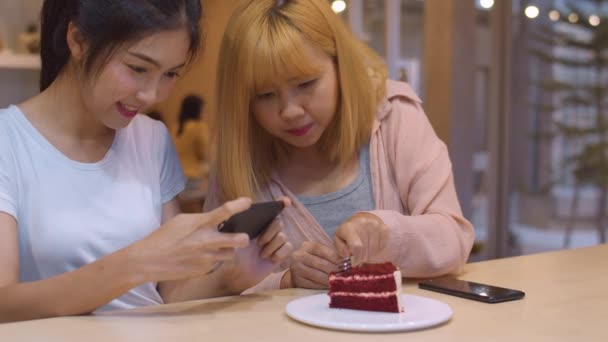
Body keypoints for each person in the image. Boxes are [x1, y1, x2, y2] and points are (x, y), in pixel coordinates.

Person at [0, 0, 292, 323]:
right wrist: (137, 262)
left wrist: (232, 277)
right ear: (78, 41)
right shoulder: (9, 141)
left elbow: (168, 293)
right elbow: (4, 302)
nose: (152, 96)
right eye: (137, 68)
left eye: (170, 74)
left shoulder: (152, 138)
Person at [206, 0, 475, 292]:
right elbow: (212, 283)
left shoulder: (393, 115)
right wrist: (285, 281)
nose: (290, 111)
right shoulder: (238, 157)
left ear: (340, 66)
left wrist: (384, 233)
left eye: (306, 83)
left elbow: (454, 241)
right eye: (266, 95)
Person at [174, 94, 210, 189]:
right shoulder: (199, 127)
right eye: (204, 111)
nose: (206, 115)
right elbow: (203, 154)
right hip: (192, 178)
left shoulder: (176, 128)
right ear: (196, 111)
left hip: (175, 177)